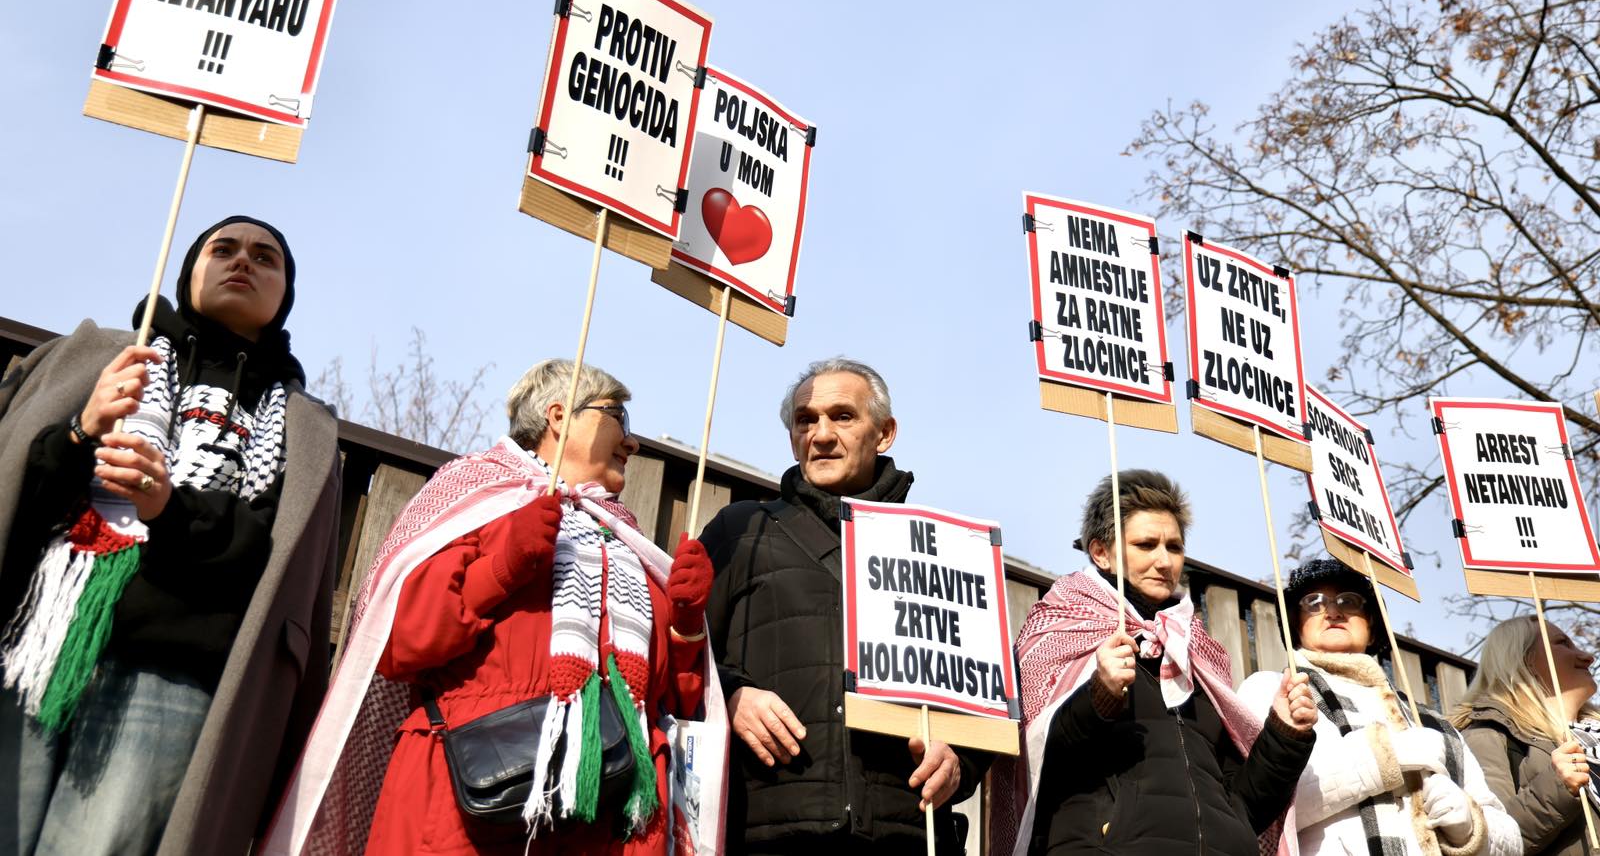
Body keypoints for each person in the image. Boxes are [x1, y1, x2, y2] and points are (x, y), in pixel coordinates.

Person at [259, 358, 721, 856]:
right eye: (618, 418)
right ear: (559, 415)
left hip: (607, 818)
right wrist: (501, 567)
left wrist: (687, 627)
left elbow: (673, 701)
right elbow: (400, 645)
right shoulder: (474, 497)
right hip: (471, 805)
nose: (632, 442)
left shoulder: (629, 543)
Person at [0, 216, 342, 856]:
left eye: (266, 258)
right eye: (224, 249)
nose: (244, 261)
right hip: (35, 645)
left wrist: (167, 506)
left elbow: (261, 559)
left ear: (284, 297)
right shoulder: (102, 358)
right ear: (188, 271)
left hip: (168, 680)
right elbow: (21, 491)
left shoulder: (299, 428)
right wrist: (82, 428)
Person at [699, 357, 985, 854]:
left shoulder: (945, 546)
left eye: (842, 416)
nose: (822, 434)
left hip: (906, 834)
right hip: (767, 832)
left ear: (886, 432)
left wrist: (961, 761)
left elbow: (990, 694)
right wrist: (729, 693)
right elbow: (677, 651)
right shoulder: (739, 530)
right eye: (806, 419)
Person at [991, 469, 1317, 856]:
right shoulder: (1059, 629)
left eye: (1175, 547)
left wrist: (1284, 735)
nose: (1165, 561)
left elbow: (1243, 805)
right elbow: (1031, 758)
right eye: (1146, 545)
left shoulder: (1199, 656)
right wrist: (1099, 695)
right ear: (1101, 552)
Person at [1238, 558, 1520, 856]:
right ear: (1296, 625)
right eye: (1314, 602)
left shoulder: (1433, 723)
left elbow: (1512, 841)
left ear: (1373, 629)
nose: (1333, 611)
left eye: (1350, 601)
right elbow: (1260, 805)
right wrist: (1384, 756)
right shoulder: (1273, 690)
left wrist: (1471, 826)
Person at [1452, 614, 1599, 855]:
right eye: (1563, 643)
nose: (1588, 657)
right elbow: (1487, 844)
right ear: (1523, 658)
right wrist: (1557, 787)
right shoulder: (1488, 737)